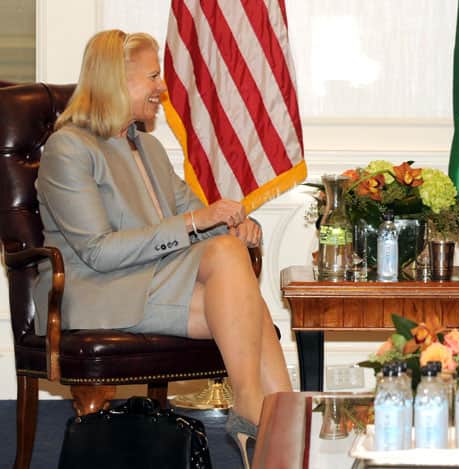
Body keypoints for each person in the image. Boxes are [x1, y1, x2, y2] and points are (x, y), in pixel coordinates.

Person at [33, 30, 291, 467]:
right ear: (116, 79)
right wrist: (199, 224)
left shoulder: (147, 146)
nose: (162, 88)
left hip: (149, 284)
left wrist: (237, 225)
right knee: (233, 272)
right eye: (153, 76)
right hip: (94, 291)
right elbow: (98, 252)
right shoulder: (69, 148)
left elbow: (195, 216)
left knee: (243, 291)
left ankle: (279, 428)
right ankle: (260, 411)